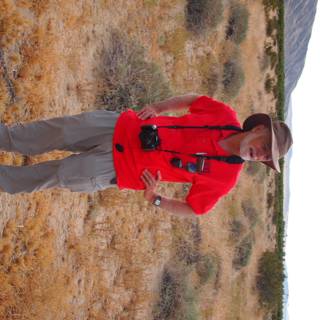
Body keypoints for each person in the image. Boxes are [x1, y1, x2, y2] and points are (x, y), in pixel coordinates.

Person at [0, 94, 292, 217]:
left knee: (49, 175)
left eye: (266, 156)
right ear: (257, 128)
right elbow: (193, 100)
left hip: (114, 168)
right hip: (119, 126)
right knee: (50, 132)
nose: (260, 153)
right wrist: (159, 107)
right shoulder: (223, 115)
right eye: (265, 144)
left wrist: (156, 199)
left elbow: (195, 209)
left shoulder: (225, 178)